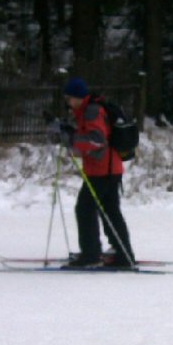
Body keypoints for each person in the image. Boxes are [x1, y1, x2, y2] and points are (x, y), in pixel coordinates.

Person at [61, 77, 135, 268]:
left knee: (85, 209)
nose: (67, 103)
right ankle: (123, 253)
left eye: (69, 98)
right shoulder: (89, 109)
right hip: (109, 167)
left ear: (78, 97)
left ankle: (91, 254)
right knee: (110, 211)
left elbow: (96, 140)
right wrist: (71, 134)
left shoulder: (91, 111)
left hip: (103, 170)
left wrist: (71, 138)